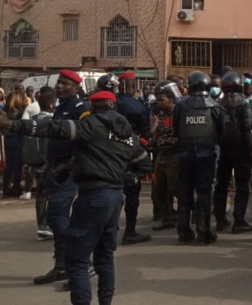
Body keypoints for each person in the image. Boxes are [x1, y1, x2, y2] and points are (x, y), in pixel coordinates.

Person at [0, 90, 153, 305]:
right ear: (113, 106)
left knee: (77, 260)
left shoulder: (90, 126)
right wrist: (126, 177)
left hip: (93, 197)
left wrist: (13, 125)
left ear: (93, 107)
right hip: (115, 196)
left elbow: (53, 128)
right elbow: (144, 163)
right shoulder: (127, 134)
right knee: (105, 257)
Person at [33, 70, 89, 285]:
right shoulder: (62, 107)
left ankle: (80, 262)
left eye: (65, 84)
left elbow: (84, 141)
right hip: (54, 166)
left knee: (57, 217)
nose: (59, 87)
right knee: (56, 218)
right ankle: (62, 266)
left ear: (76, 87)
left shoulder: (80, 109)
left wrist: (69, 164)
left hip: (68, 169)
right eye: (58, 83)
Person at [99, 71, 152, 246]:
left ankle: (107, 230)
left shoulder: (98, 105)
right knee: (131, 191)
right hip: (130, 149)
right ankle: (129, 231)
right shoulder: (136, 105)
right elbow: (145, 130)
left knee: (108, 191)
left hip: (106, 151)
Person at [174, 71, 224, 245]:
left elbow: (176, 128)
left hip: (185, 155)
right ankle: (204, 233)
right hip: (207, 155)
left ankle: (183, 232)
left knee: (184, 192)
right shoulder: (215, 106)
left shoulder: (181, 105)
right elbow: (221, 131)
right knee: (205, 193)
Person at [213, 72, 252, 234]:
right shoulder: (243, 104)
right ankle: (239, 220)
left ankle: (220, 219)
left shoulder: (217, 103)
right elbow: (247, 131)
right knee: (242, 186)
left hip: (223, 149)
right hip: (241, 149)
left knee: (221, 186)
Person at [23, 87, 56, 240]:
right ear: (51, 104)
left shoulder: (33, 120)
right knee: (53, 194)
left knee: (41, 195)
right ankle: (48, 225)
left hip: (35, 162)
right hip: (49, 162)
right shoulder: (52, 121)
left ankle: (41, 225)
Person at [149, 83, 179, 231]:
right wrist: (153, 129)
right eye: (158, 100)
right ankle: (167, 218)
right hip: (161, 154)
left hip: (175, 155)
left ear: (171, 99)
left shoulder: (179, 113)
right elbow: (153, 133)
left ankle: (187, 214)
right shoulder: (157, 113)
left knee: (176, 188)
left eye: (162, 100)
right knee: (158, 190)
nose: (159, 103)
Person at [2, 91, 27, 198]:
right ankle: (16, 188)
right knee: (17, 165)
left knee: (9, 166)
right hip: (18, 139)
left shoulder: (5, 112)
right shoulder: (21, 113)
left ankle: (5, 187)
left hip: (8, 140)